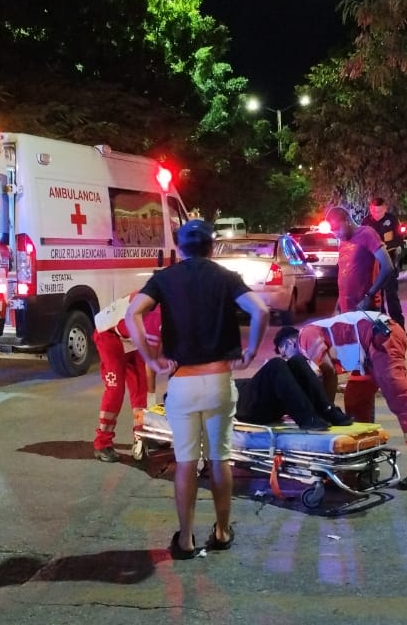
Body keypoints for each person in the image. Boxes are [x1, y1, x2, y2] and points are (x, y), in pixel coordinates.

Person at [125, 219, 269, 560]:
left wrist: (151, 358)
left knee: (186, 461)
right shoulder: (226, 277)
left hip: (183, 383)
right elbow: (260, 310)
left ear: (180, 248)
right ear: (211, 247)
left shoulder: (164, 278)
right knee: (220, 458)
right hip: (218, 381)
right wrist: (250, 351)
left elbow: (133, 314)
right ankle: (222, 531)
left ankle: (186, 539)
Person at [298, 310, 407, 490]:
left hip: (381, 340)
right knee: (355, 400)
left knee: (401, 399)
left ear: (288, 343)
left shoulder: (304, 336)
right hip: (368, 351)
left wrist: (326, 410)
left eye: (283, 352)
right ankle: (363, 462)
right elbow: (321, 379)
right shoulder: (311, 339)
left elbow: (329, 372)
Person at [235, 325, 353, 430]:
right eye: (284, 355)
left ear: (289, 343)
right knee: (276, 364)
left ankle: (328, 410)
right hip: (244, 403)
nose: (286, 358)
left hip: (267, 405)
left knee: (297, 361)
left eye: (284, 354)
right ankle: (307, 418)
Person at [91, 291, 162, 462]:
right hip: (109, 335)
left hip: (131, 336)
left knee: (140, 387)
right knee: (115, 390)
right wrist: (152, 397)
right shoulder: (155, 315)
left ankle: (141, 436)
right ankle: (102, 443)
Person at [329, 205, 395, 316]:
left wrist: (369, 295)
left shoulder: (367, 234)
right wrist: (338, 305)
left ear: (347, 220)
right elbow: (344, 275)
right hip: (346, 310)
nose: (336, 234)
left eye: (337, 229)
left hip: (365, 308)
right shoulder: (342, 241)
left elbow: (387, 266)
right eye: (333, 232)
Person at [361, 197, 406, 329]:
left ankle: (400, 328)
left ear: (385, 209)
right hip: (373, 264)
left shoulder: (392, 220)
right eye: (374, 211)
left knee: (392, 296)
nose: (377, 214)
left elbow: (399, 239)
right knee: (376, 298)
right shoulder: (366, 222)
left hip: (388, 263)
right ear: (370, 209)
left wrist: (385, 247)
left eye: (380, 211)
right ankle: (382, 328)